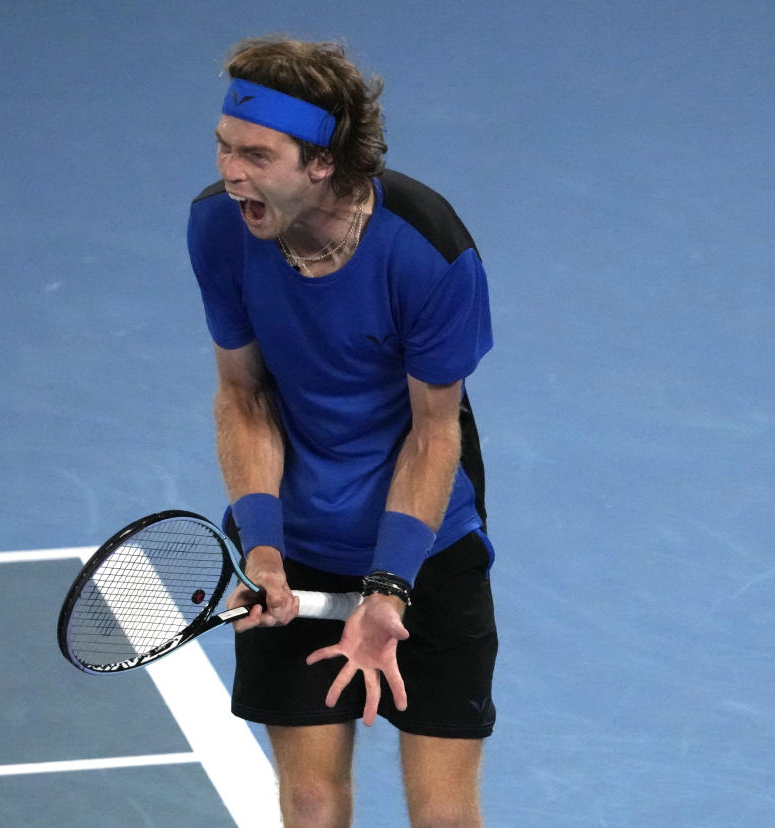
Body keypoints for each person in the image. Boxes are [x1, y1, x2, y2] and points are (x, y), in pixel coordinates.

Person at [186, 36, 496, 828]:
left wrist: (389, 585)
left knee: (443, 816)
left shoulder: (426, 249)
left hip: (423, 542)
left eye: (257, 155)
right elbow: (242, 395)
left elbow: (435, 433)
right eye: (224, 148)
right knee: (313, 803)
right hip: (294, 542)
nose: (231, 174)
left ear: (322, 162)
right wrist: (262, 548)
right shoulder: (220, 229)